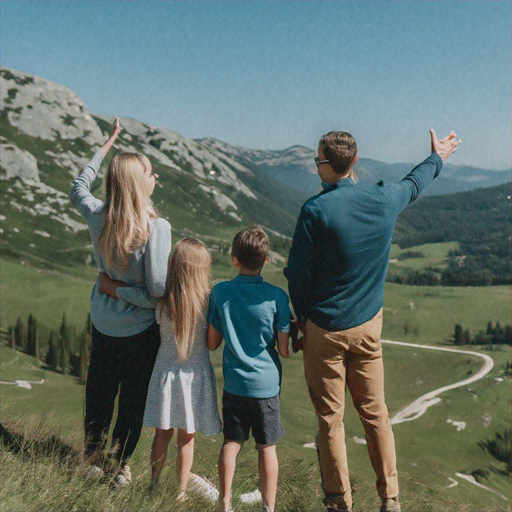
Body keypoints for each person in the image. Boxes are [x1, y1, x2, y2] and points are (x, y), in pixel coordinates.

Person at [285, 129, 461, 512]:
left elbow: (297, 275)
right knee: (376, 414)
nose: (316, 168)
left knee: (330, 420)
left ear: (330, 166)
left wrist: (301, 320)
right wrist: (438, 157)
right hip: (368, 328)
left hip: (324, 329)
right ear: (355, 162)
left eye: (318, 162)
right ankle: (391, 499)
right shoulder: (383, 199)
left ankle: (338, 502)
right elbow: (415, 183)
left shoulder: (315, 211)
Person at [70, 118, 172, 486]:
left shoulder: (97, 215)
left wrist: (106, 145)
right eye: (149, 171)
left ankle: (93, 458)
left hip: (103, 323)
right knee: (132, 399)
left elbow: (78, 185)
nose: (154, 176)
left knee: (99, 390)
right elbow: (157, 292)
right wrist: (128, 293)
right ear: (136, 181)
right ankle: (120, 465)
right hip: (140, 331)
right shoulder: (155, 228)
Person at [207, 226, 291, 512]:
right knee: (267, 447)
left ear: (234, 259)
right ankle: (269, 507)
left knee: (232, 442)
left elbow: (212, 343)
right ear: (266, 260)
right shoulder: (278, 297)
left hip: (235, 385)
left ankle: (224, 501)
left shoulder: (220, 292)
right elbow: (283, 350)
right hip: (267, 386)